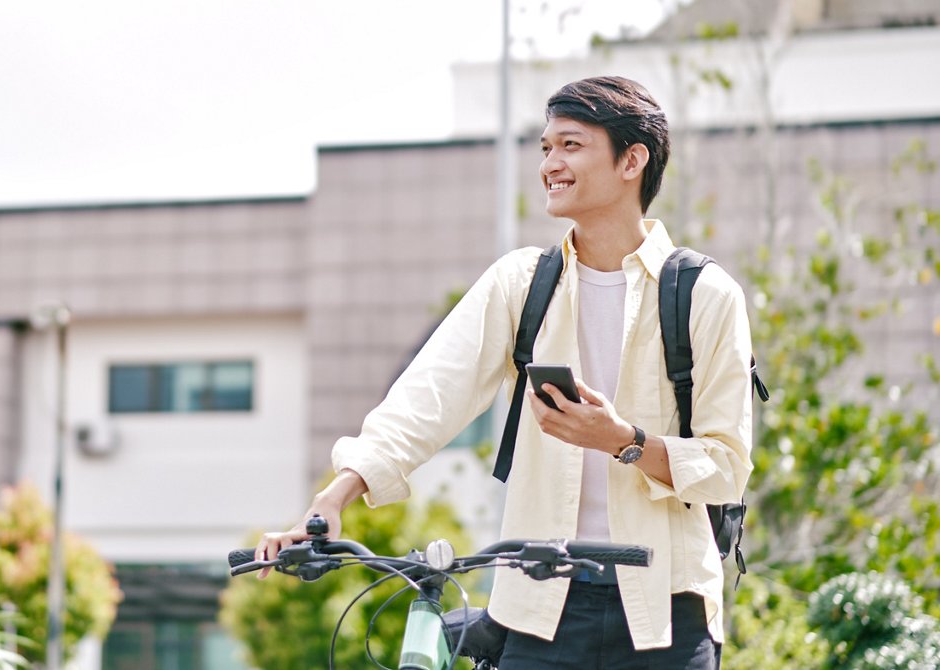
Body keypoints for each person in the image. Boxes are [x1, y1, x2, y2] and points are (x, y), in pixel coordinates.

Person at [255, 75, 754, 669]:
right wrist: (335, 496)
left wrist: (622, 442)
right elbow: (428, 396)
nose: (550, 163)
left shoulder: (703, 294)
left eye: (571, 145)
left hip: (666, 611)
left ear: (632, 160)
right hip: (537, 608)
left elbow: (726, 468)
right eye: (545, 148)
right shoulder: (521, 283)